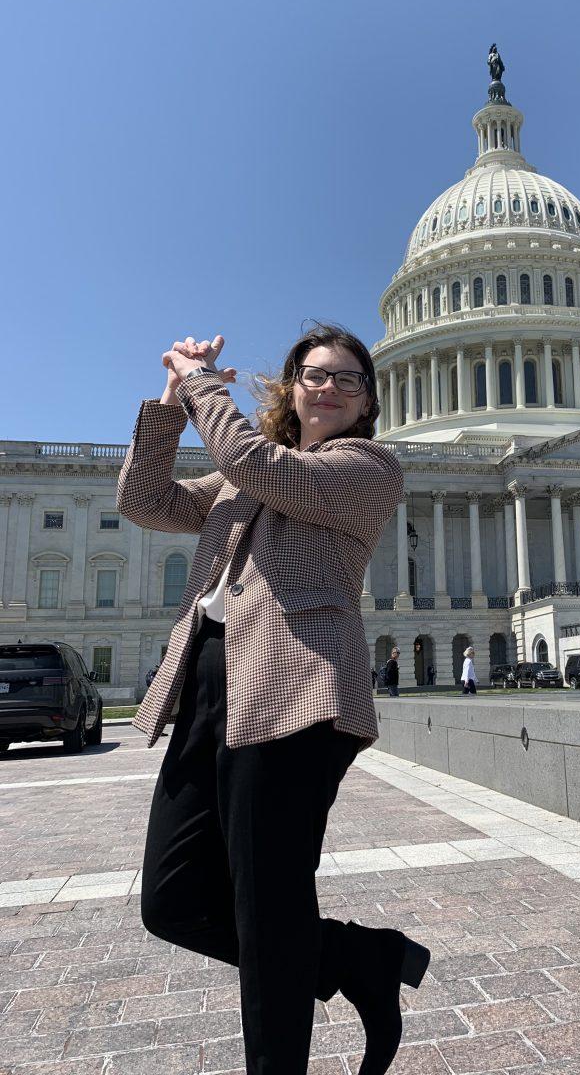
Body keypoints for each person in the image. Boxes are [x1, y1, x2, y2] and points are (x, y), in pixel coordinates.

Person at [118, 324, 430, 1075]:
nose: (328, 386)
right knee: (171, 900)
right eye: (313, 374)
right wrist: (169, 402)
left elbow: (249, 457)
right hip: (209, 682)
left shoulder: (367, 467)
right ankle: (356, 957)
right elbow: (142, 500)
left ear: (365, 404)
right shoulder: (244, 477)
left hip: (298, 688)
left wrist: (203, 386)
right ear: (292, 389)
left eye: (347, 379)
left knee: (268, 908)